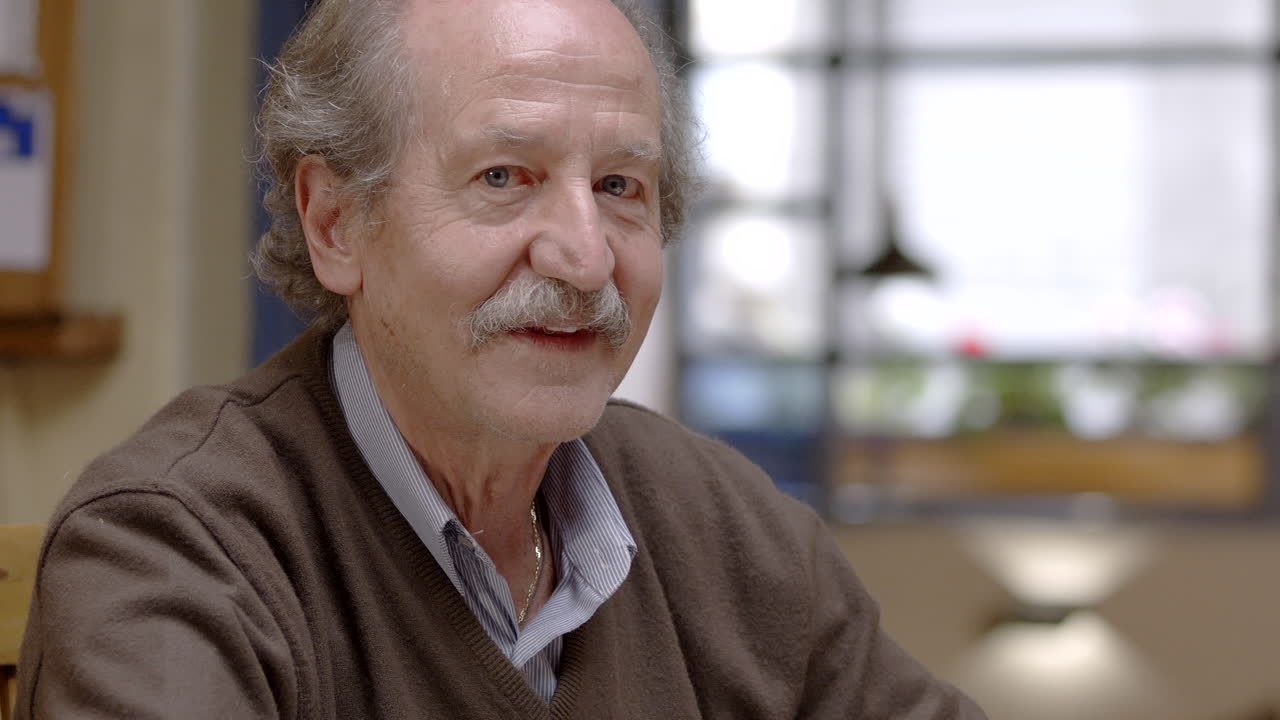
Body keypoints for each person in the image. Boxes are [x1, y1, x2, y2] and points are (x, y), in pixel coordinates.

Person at [14, 0, 987, 717]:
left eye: (618, 185)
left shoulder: (725, 526)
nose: (583, 254)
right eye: (502, 177)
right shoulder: (171, 547)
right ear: (334, 220)